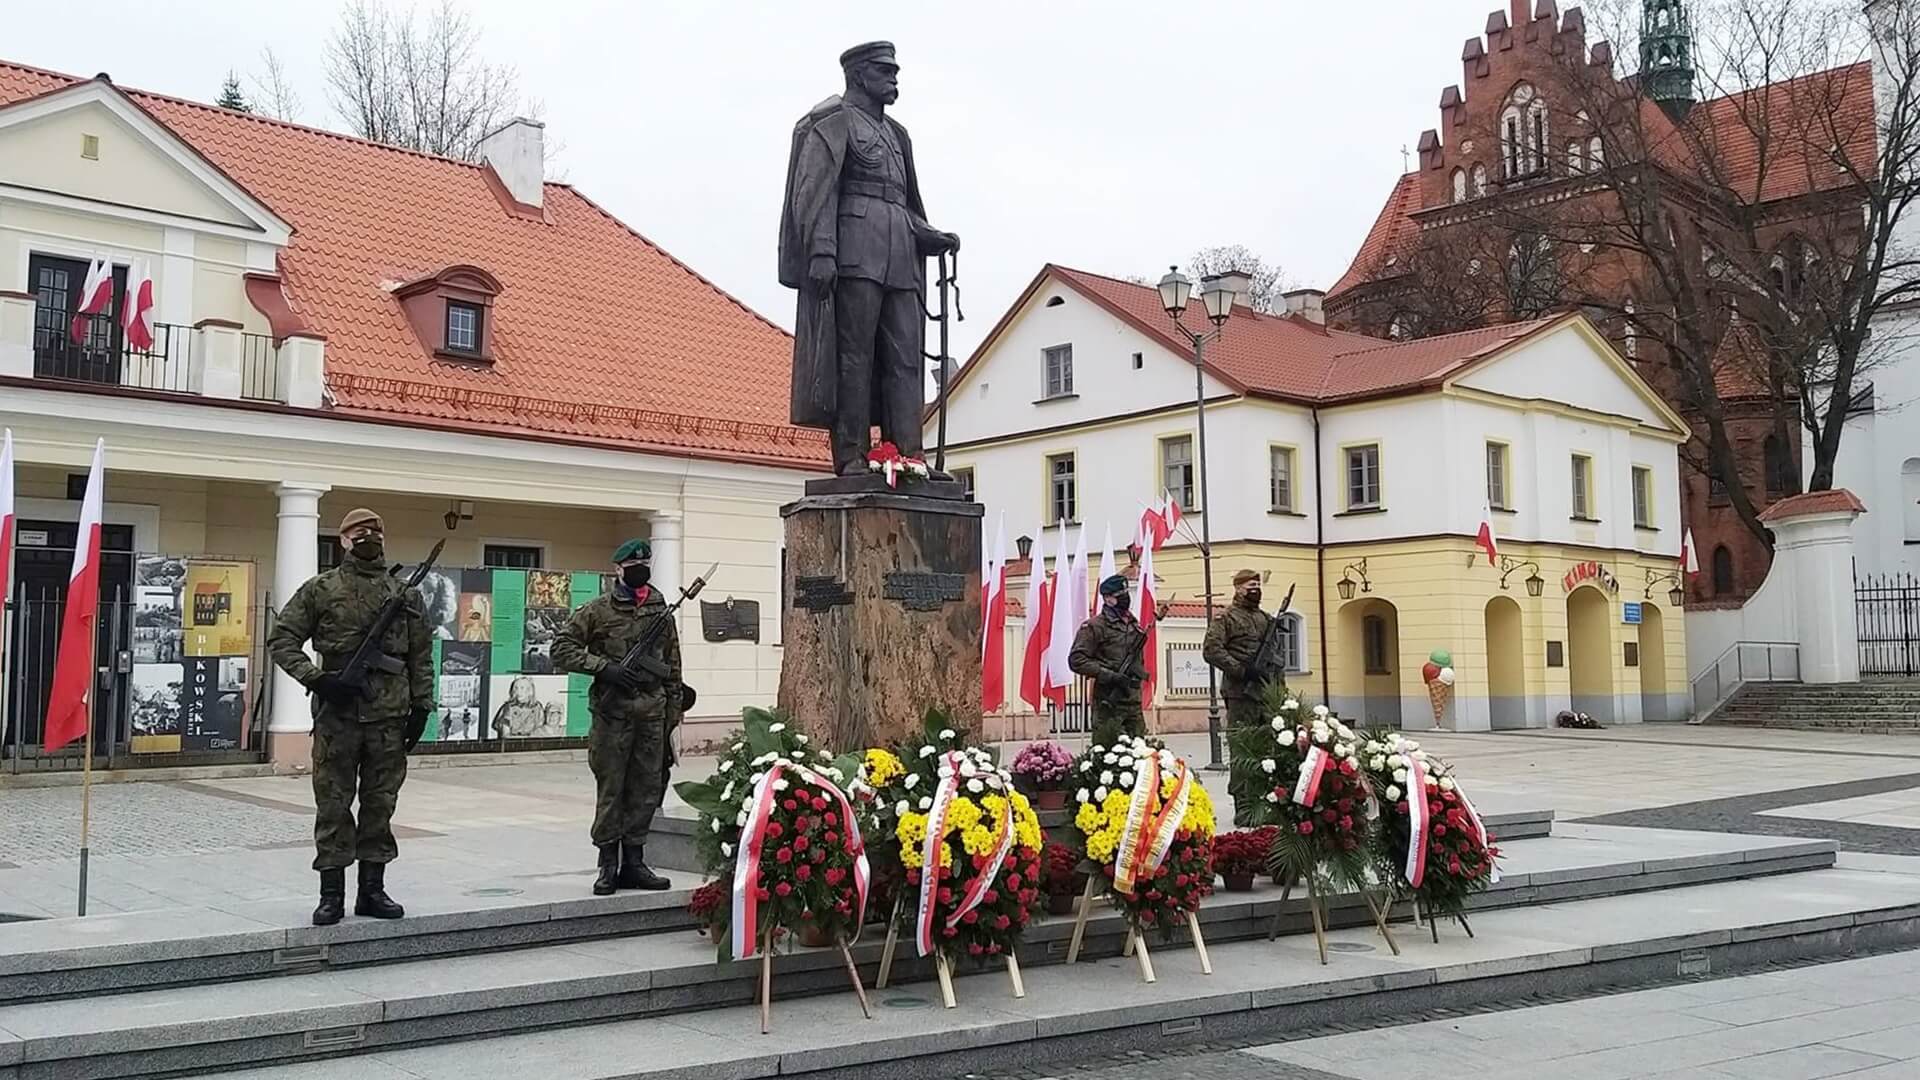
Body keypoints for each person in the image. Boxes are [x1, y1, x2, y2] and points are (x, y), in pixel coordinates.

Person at [778, 41, 961, 475]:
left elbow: (903, 202)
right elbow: (815, 192)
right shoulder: (832, 121)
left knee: (905, 358)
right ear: (859, 75)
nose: (894, 78)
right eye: (885, 70)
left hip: (900, 256)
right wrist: (821, 250)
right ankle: (852, 455)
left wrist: (927, 234)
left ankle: (908, 456)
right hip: (853, 254)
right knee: (853, 357)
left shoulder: (898, 135)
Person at [268, 508, 433, 927]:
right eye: (358, 532)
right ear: (342, 540)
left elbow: (421, 656)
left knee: (380, 804)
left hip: (389, 717)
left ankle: (372, 890)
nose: (368, 537)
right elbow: (282, 638)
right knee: (333, 804)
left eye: (376, 530)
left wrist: (422, 708)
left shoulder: (405, 594)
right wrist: (318, 679)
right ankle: (331, 894)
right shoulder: (320, 589)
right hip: (336, 715)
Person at [553, 538, 682, 895]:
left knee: (646, 789)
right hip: (613, 717)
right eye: (632, 567)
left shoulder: (660, 611)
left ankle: (635, 863)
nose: (639, 571)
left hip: (652, 717)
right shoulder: (597, 611)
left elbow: (672, 666)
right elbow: (560, 648)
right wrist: (604, 668)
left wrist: (672, 717)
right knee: (612, 790)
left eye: (644, 564)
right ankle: (608, 864)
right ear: (618, 570)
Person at [1069, 575, 1148, 746]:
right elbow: (1077, 660)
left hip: (1133, 702)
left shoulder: (1134, 624)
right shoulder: (1095, 626)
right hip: (1109, 701)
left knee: (1141, 754)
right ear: (1108, 598)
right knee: (1108, 754)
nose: (1125, 598)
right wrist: (1109, 675)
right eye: (1120, 594)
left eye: (1126, 593)